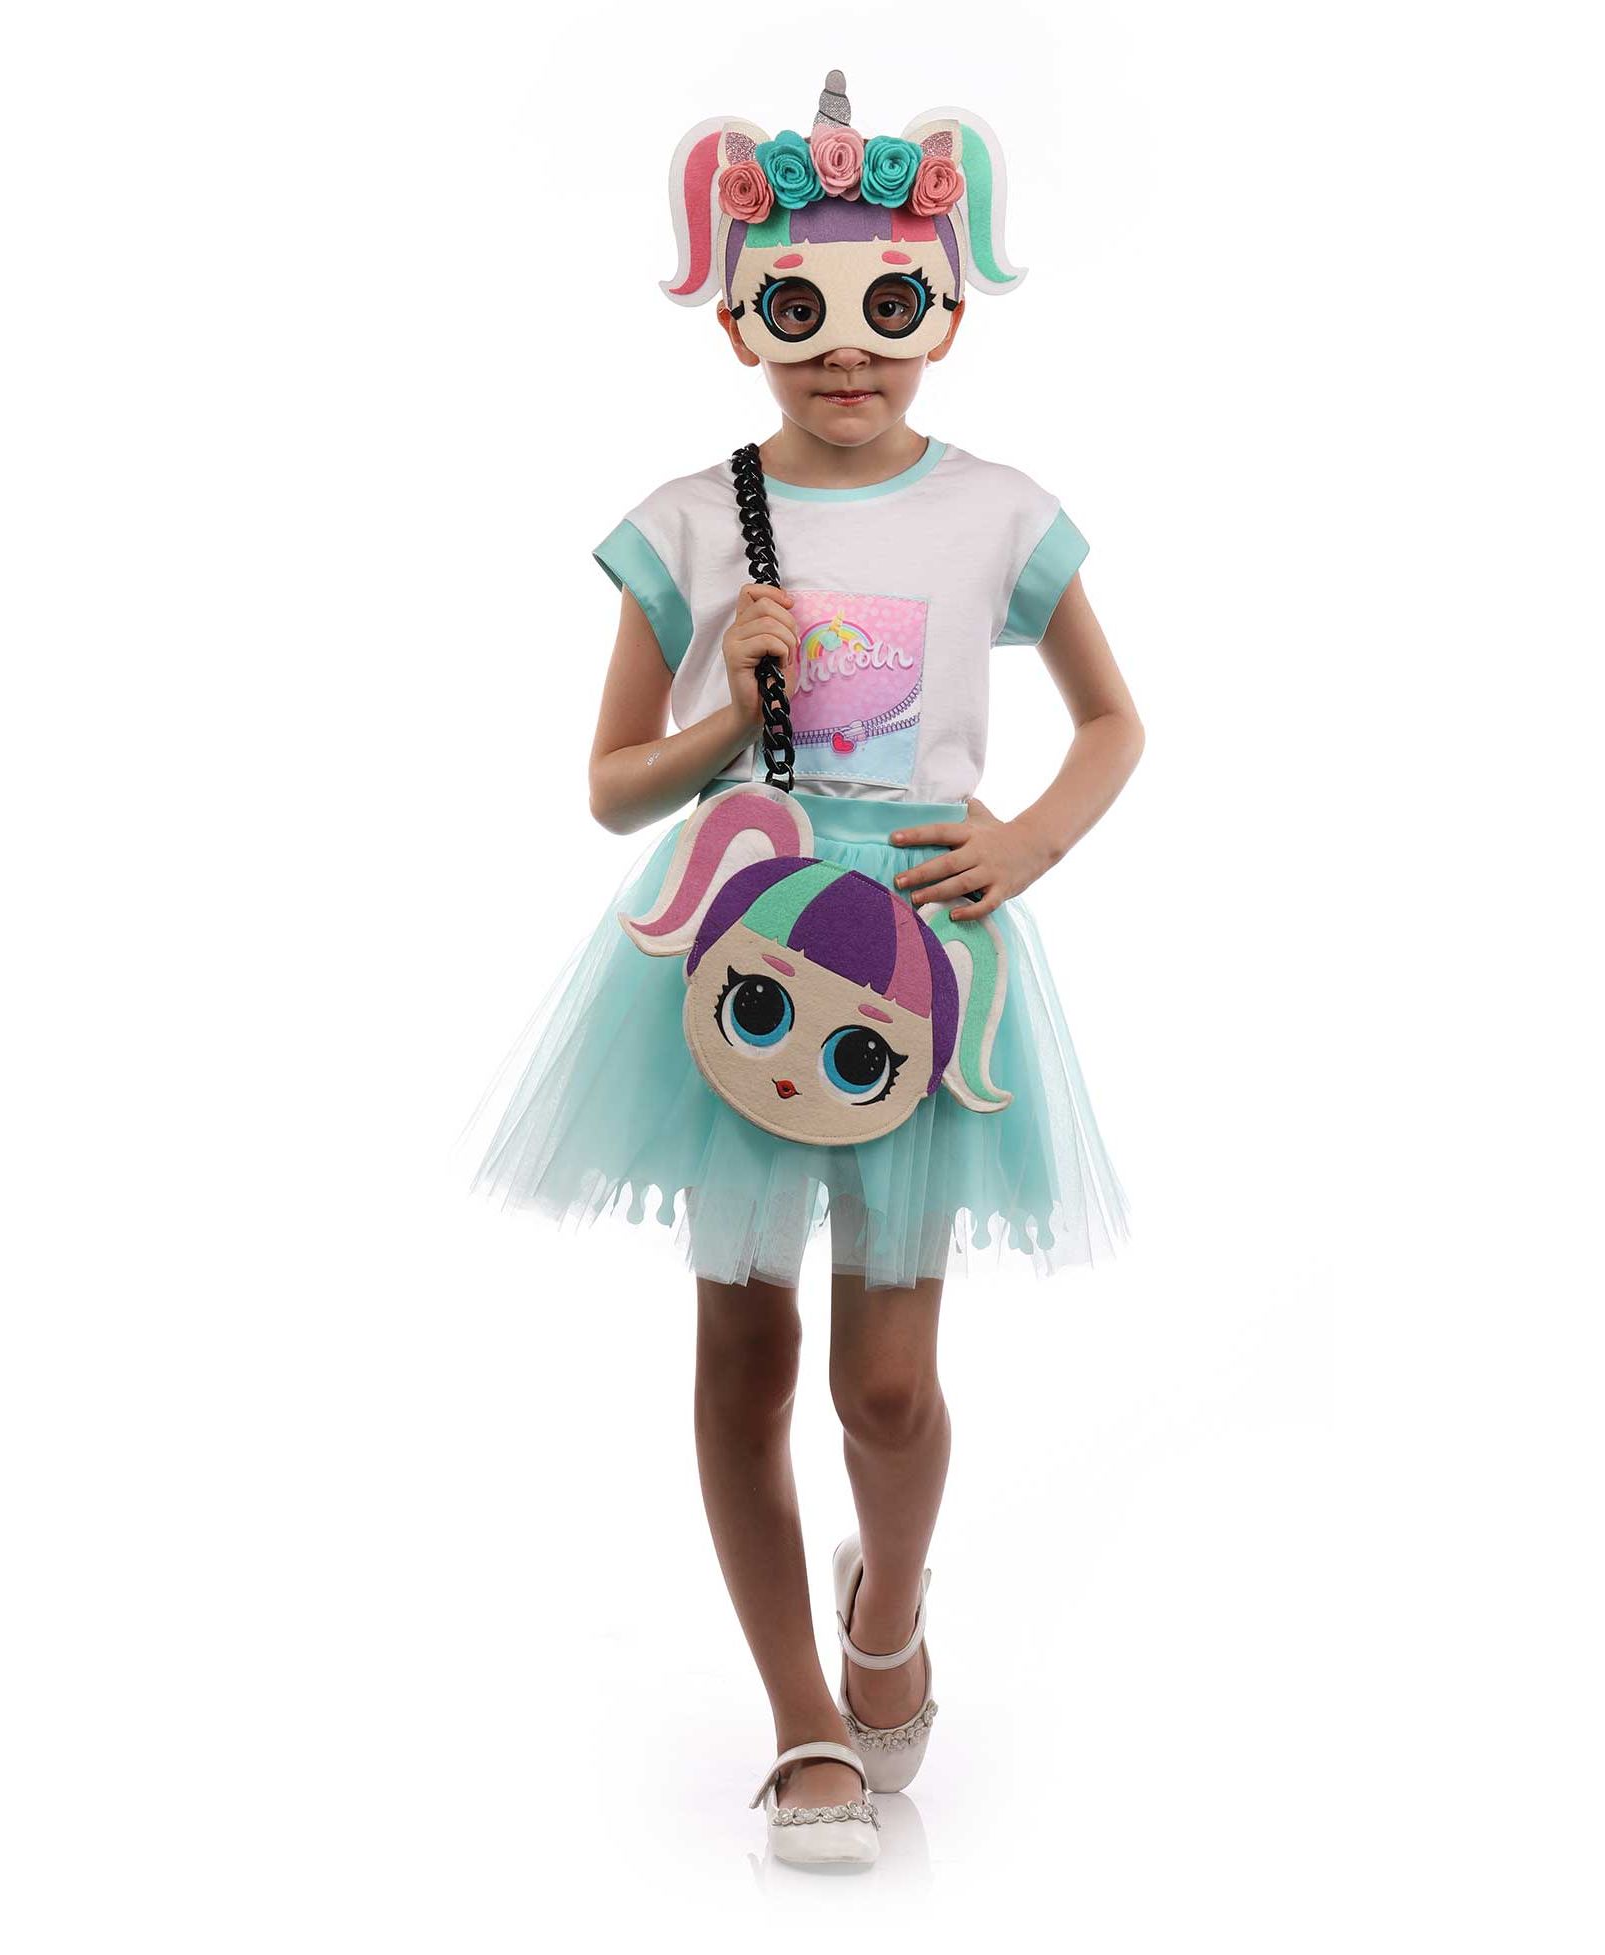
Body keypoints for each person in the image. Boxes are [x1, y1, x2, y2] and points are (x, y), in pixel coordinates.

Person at [471, 71, 1141, 1866]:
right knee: (748, 1348)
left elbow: (1114, 722)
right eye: (800, 307)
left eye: (887, 305)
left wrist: (1024, 843)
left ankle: (888, 1617)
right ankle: (802, 1724)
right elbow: (613, 785)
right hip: (743, 946)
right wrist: (725, 710)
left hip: (924, 951)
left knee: (889, 1386)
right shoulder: (695, 520)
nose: (848, 347)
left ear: (944, 312)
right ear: (741, 320)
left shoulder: (998, 511)